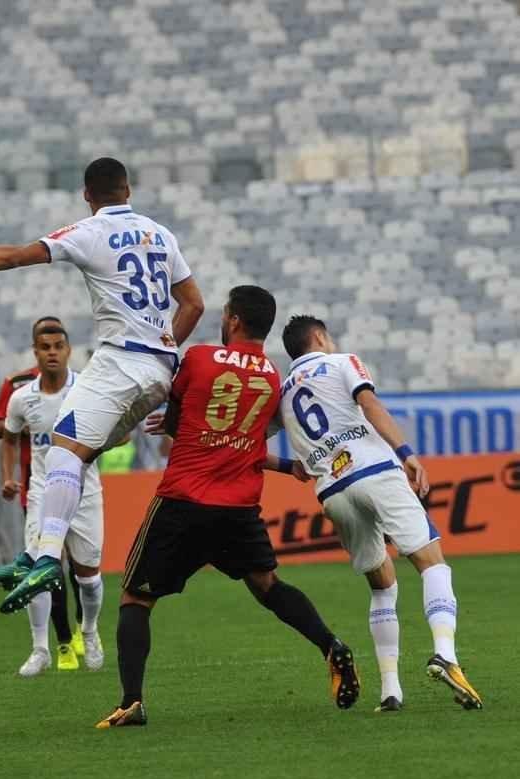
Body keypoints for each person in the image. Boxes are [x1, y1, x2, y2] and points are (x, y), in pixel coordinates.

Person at [0, 156, 204, 609]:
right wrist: (163, 347)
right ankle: (34, 555)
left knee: (61, 447)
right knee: (79, 455)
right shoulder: (161, 235)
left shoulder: (89, 232)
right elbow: (194, 305)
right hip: (158, 373)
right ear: (128, 190)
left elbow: (12, 256)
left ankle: (43, 558)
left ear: (87, 195)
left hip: (119, 363)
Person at [96, 286, 360, 729]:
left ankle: (132, 702)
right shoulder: (272, 377)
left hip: (183, 500)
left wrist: (174, 427)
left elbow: (184, 419)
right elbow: (242, 443)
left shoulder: (198, 358)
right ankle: (331, 645)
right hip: (237, 506)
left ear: (234, 320)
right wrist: (284, 466)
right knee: (268, 585)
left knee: (136, 597)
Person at [278, 315, 482, 712]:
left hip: (333, 493)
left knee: (382, 584)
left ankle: (391, 690)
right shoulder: (341, 363)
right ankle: (446, 655)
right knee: (432, 562)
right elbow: (369, 404)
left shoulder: (283, 393)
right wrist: (406, 452)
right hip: (372, 470)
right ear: (319, 337)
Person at [0, 322, 105, 676]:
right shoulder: (22, 397)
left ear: (68, 350)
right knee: (37, 570)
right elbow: (8, 437)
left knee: (88, 575)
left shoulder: (88, 389)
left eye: (58, 346)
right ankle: (40, 649)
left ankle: (90, 631)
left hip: (85, 491)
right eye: (45, 347)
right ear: (35, 353)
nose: (52, 352)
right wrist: (9, 478)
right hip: (40, 492)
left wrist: (98, 444)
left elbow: (122, 432)